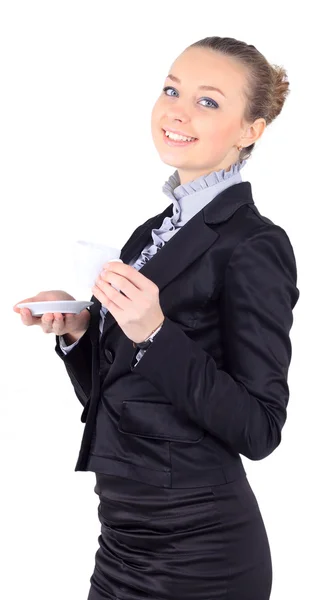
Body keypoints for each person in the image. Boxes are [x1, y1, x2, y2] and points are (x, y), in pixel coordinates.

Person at [13, 36, 300, 600]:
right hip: (121, 540)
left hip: (200, 552)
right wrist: (77, 335)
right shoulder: (150, 234)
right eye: (172, 89)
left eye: (208, 101)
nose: (177, 109)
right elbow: (118, 396)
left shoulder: (254, 244)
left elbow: (261, 427)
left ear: (251, 130)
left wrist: (156, 333)